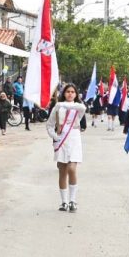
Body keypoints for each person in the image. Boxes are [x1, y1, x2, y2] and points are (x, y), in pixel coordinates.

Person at [46, 84, 87, 212]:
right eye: (67, 92)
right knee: (62, 171)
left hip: (74, 138)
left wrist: (61, 105)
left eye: (72, 92)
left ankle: (73, 200)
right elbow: (49, 125)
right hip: (61, 139)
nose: (70, 94)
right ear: (64, 93)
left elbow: (82, 107)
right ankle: (64, 202)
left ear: (76, 94)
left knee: (72, 169)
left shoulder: (78, 108)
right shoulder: (57, 108)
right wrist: (54, 136)